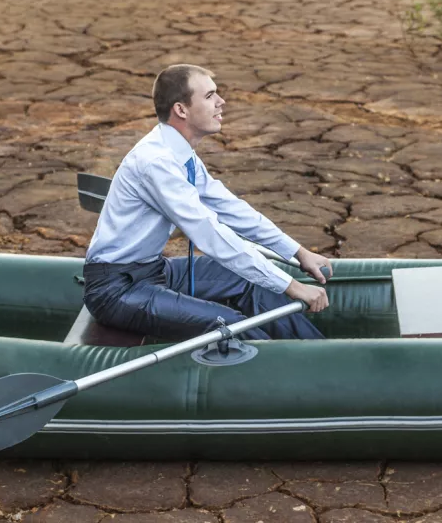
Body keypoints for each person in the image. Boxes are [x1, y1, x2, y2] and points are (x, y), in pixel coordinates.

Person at [82, 64, 331, 342]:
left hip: (154, 270)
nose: (221, 101)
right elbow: (209, 233)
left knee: (250, 280)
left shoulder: (179, 152)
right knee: (230, 324)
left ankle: (317, 353)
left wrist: (297, 252)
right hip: (117, 289)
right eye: (210, 95)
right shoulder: (156, 162)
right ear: (181, 109)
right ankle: (289, 364)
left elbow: (230, 208)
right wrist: (292, 286)